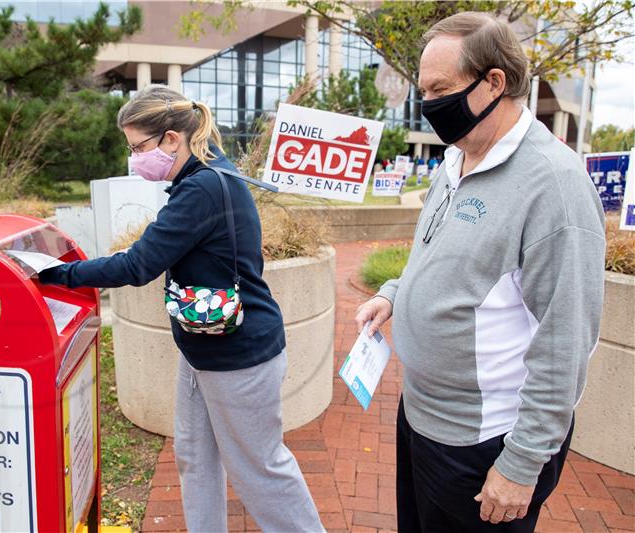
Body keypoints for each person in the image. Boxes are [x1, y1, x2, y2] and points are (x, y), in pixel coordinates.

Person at [355, 12, 605, 533]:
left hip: (482, 444)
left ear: (494, 81)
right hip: (421, 419)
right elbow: (437, 255)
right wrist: (396, 294)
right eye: (424, 91)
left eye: (440, 89)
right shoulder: (455, 159)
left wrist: (521, 464)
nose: (428, 106)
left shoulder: (553, 185)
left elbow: (566, 340)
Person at [39, 84, 324, 533]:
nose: (134, 159)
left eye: (139, 147)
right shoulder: (205, 176)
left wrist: (53, 274)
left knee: (260, 470)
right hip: (203, 349)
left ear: (172, 138)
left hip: (238, 357)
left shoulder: (202, 189)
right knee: (195, 457)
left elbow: (137, 264)